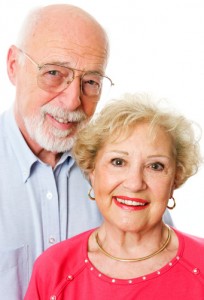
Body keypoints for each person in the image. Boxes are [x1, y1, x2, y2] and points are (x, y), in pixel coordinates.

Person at [0, 4, 173, 299]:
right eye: (54, 73)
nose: (71, 102)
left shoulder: (129, 176)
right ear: (14, 65)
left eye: (90, 82)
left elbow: (162, 280)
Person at [25, 93, 204, 300]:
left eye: (155, 166)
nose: (135, 183)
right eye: (118, 162)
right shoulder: (53, 269)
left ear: (175, 179)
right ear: (92, 170)